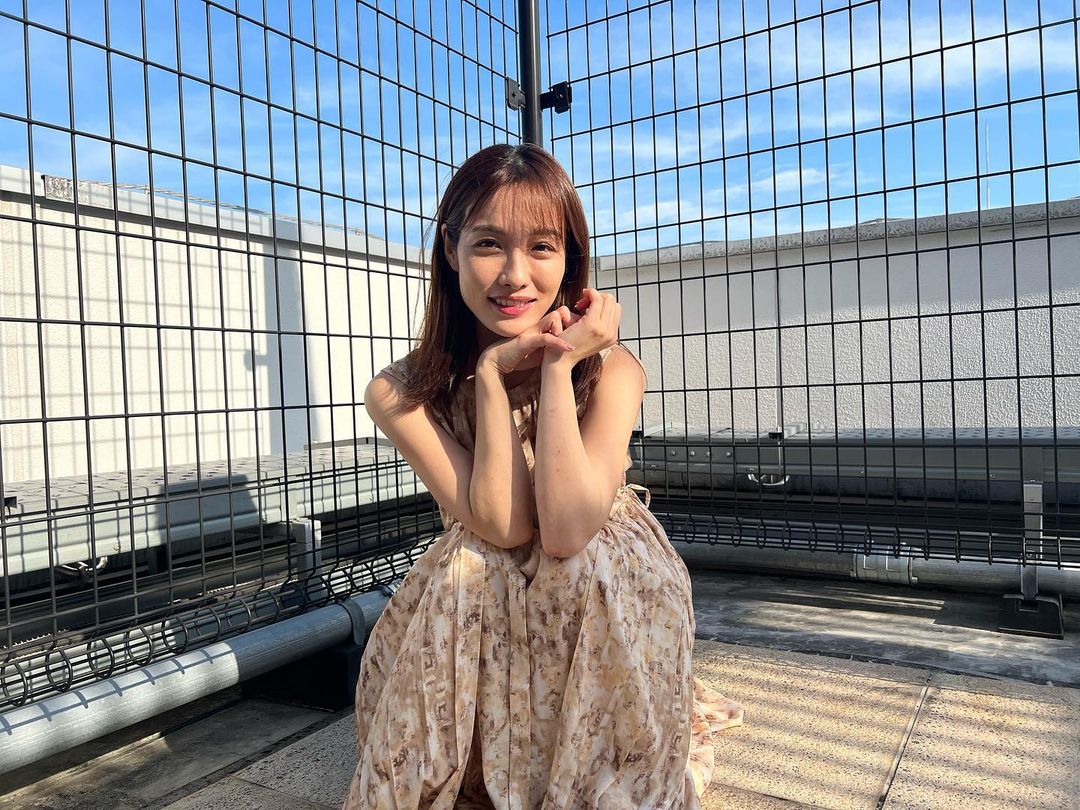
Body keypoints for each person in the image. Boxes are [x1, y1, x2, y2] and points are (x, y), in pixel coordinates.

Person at [343, 143, 743, 809]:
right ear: (451, 250)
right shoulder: (401, 391)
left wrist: (557, 367)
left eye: (541, 248)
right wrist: (491, 378)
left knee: (579, 566)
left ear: (568, 261)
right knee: (478, 563)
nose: (515, 275)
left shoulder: (612, 370)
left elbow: (566, 528)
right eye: (488, 244)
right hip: (484, 558)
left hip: (602, 554)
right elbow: (503, 524)